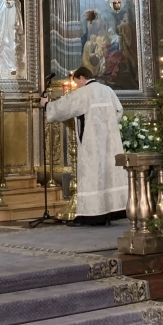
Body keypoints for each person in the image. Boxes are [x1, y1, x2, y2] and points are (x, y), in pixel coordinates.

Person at [41, 67, 128, 225]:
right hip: (110, 142)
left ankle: (92, 215)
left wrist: (47, 105)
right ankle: (111, 211)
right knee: (109, 174)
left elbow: (64, 106)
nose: (77, 86)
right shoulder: (107, 90)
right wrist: (108, 127)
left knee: (92, 176)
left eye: (77, 83)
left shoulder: (84, 93)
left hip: (91, 143)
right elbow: (119, 110)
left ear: (82, 78)